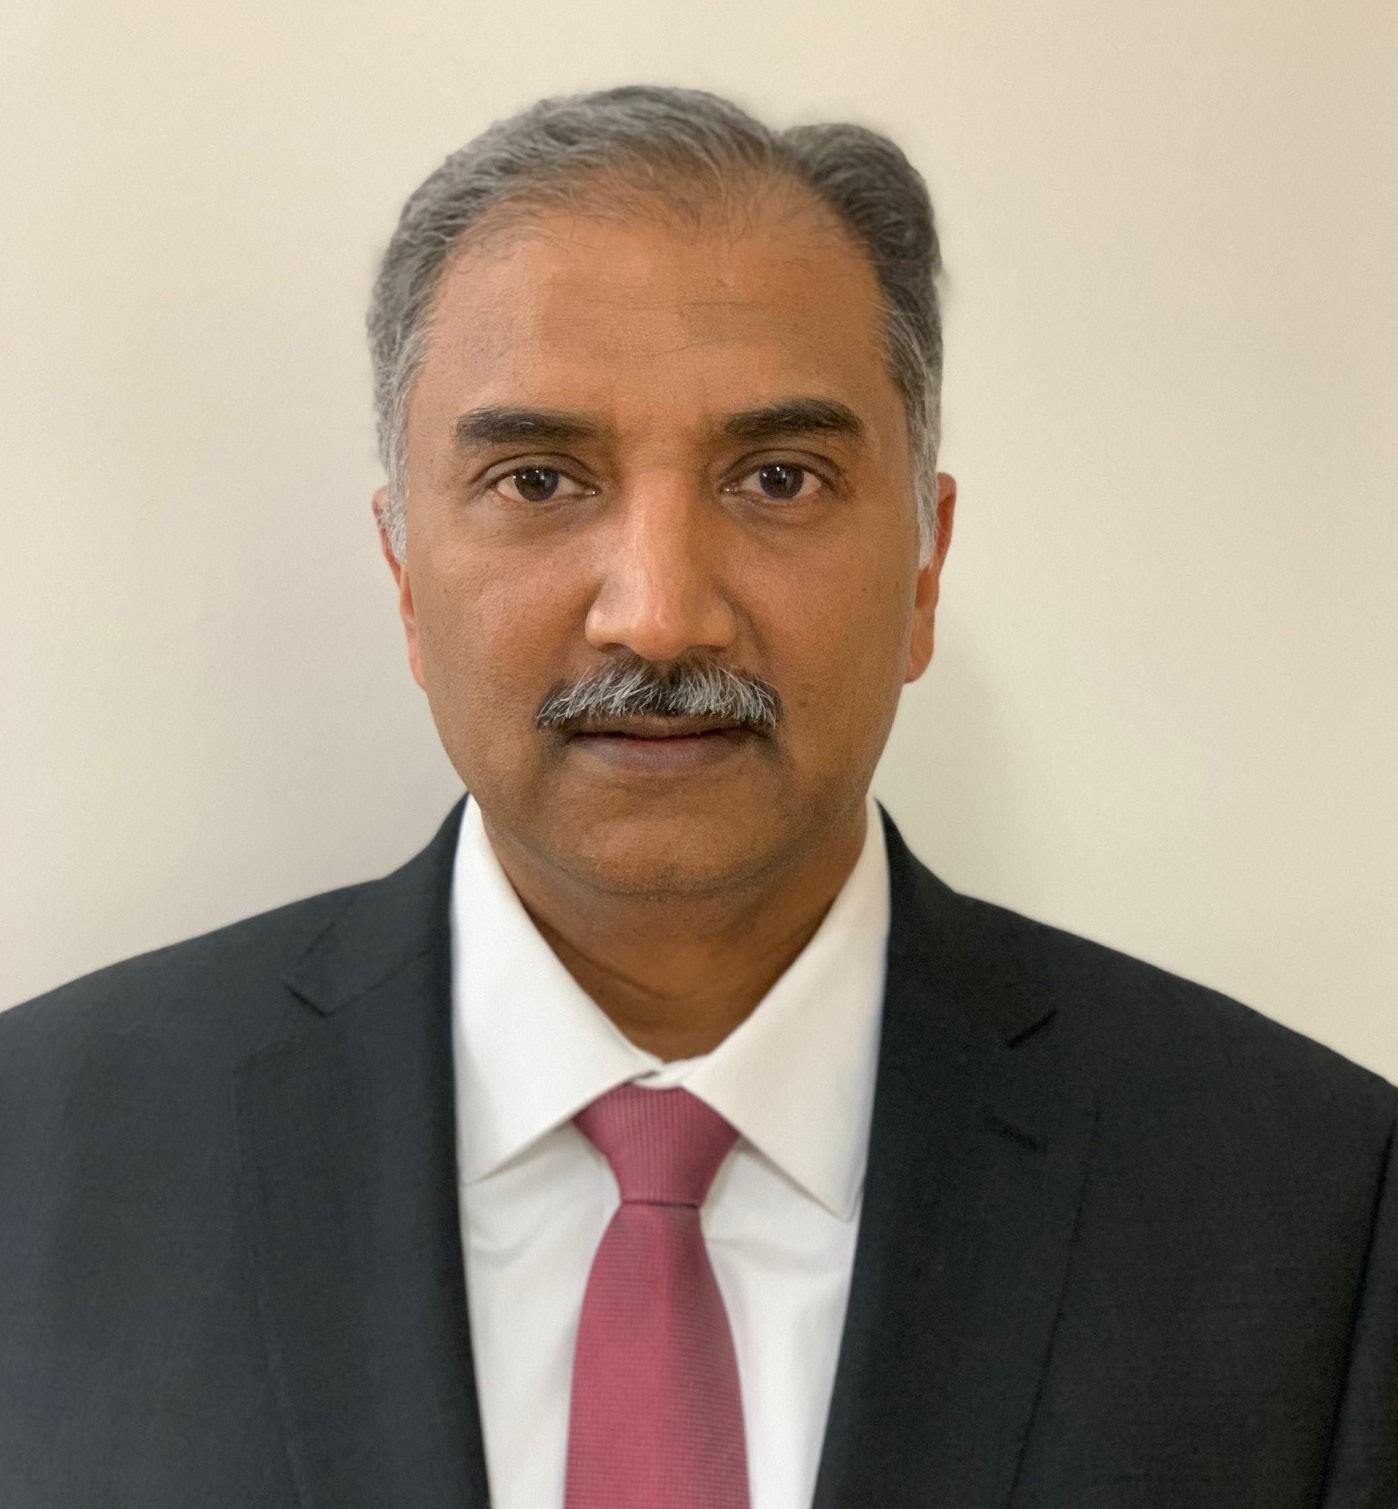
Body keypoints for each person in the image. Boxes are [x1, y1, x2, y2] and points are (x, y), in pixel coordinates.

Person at [0, 84, 1393, 1509]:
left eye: (777, 478)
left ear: (924, 565)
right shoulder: (38, 1155)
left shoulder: (1311, 1207)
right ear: (404, 572)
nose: (660, 616)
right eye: (538, 480)